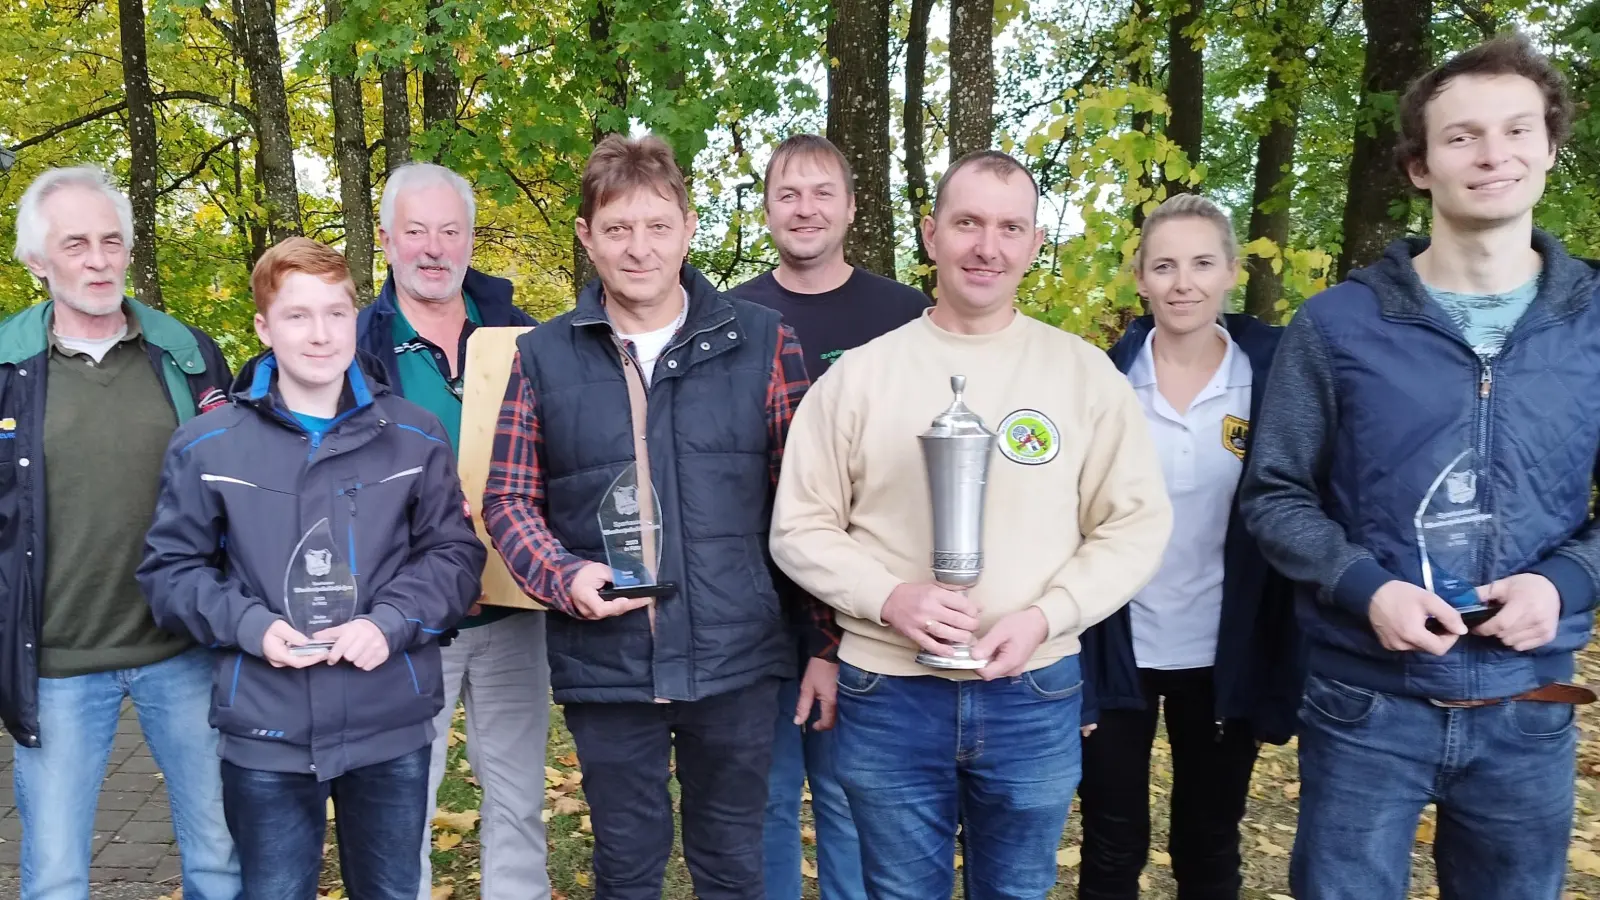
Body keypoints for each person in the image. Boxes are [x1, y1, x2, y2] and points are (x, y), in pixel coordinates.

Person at [1239, 33, 1600, 900]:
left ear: (1551, 147)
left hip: (1529, 705)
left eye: (1517, 131)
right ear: (1419, 167)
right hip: (1365, 705)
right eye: (1462, 136)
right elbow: (1275, 494)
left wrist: (1564, 583)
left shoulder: (1593, 325)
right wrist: (1368, 588)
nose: (1492, 155)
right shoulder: (1336, 326)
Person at [768, 149, 1173, 900]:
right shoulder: (860, 375)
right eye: (967, 223)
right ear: (931, 234)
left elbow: (1134, 525)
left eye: (1009, 227)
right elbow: (800, 526)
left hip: (1033, 690)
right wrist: (889, 597)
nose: (987, 247)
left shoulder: (1082, 374)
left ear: (1033, 244)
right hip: (888, 692)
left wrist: (1050, 615)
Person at [482, 133, 838, 900]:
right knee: (628, 868)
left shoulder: (764, 341)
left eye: (656, 227)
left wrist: (824, 643)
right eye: (616, 229)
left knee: (733, 867)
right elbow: (507, 499)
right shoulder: (542, 356)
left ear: (688, 227)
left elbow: (809, 506)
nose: (638, 249)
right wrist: (564, 574)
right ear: (586, 237)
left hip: (738, 662)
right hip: (606, 667)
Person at [138, 236, 486, 899]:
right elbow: (170, 573)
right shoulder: (208, 445)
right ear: (264, 327)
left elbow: (455, 554)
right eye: (298, 316)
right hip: (265, 726)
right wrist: (249, 625)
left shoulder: (414, 435)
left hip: (389, 719)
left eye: (335, 313)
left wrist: (391, 621)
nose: (320, 334)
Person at [3, 166, 239, 900]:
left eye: (112, 241)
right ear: (38, 260)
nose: (99, 260)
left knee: (219, 861)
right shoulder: (8, 369)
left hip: (183, 653)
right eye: (76, 244)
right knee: (57, 877)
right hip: (58, 664)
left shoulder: (187, 355)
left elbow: (234, 489)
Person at [1076, 194, 1298, 900]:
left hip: (1222, 653)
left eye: (1202, 263)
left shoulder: (1273, 376)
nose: (1183, 283)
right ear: (1139, 276)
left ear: (1231, 271)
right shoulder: (1101, 381)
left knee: (1207, 842)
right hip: (1119, 647)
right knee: (1113, 844)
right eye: (1164, 265)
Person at [729, 133, 929, 900]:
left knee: (855, 800)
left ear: (850, 206)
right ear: (769, 209)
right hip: (756, 610)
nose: (805, 208)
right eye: (788, 193)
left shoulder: (906, 317)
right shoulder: (730, 316)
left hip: (874, 607)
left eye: (821, 192)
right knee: (767, 803)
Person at [353, 161, 551, 900]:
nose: (434, 248)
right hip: (406, 621)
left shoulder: (523, 336)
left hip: (509, 609)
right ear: (386, 240)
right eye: (416, 231)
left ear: (470, 239)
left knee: (519, 800)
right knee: (405, 805)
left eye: (450, 230)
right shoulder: (356, 345)